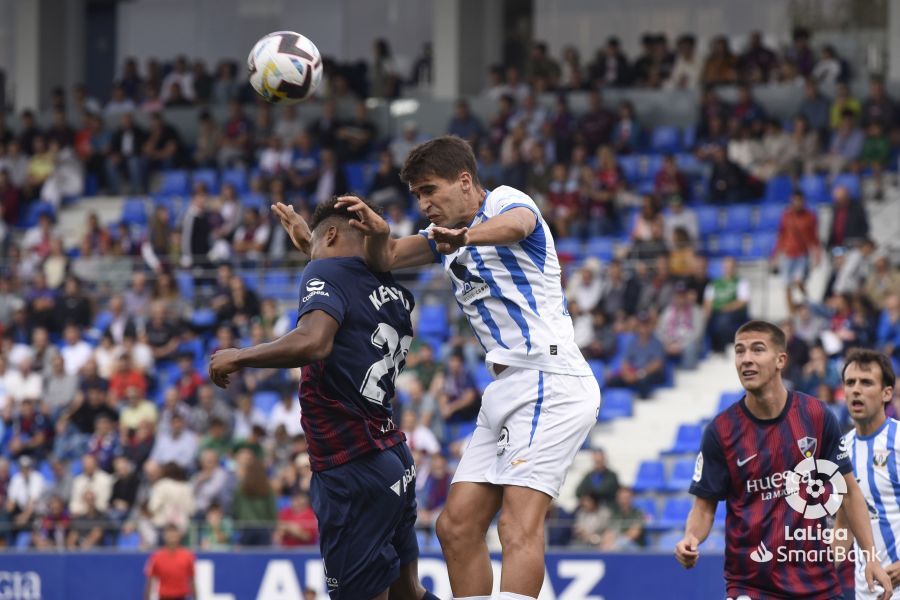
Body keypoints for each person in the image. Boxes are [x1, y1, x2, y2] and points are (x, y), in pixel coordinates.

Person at [335, 134, 601, 600]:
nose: (424, 204)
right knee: (455, 526)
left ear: (464, 181)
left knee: (517, 523)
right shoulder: (442, 237)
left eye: (430, 190)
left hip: (549, 379)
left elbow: (518, 226)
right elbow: (388, 259)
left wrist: (468, 235)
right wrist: (369, 235)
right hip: (504, 389)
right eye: (417, 195)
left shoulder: (503, 201)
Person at [209, 198, 437, 600]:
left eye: (315, 243)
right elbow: (345, 269)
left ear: (330, 235)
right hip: (392, 459)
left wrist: (239, 356)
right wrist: (307, 238)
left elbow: (313, 342)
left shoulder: (324, 270)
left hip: (349, 466)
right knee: (407, 593)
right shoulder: (388, 287)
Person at [675, 320, 892, 599]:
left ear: (781, 360)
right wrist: (691, 537)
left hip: (816, 585)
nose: (746, 360)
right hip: (751, 585)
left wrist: (871, 557)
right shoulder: (721, 431)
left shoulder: (815, 415)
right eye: (740, 352)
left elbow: (849, 493)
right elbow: (704, 507)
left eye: (757, 350)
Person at [833, 349, 899, 600]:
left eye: (866, 382)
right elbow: (844, 523)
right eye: (850, 383)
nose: (856, 390)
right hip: (867, 591)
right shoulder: (840, 450)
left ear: (887, 393)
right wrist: (819, 569)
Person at [144, 523, 196, 600]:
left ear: (179, 536)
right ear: (165, 536)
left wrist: (196, 597)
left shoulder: (187, 556)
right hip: (164, 597)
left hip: (181, 597)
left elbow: (191, 580)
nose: (172, 537)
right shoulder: (156, 557)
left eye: (174, 534)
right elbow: (149, 582)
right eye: (169, 534)